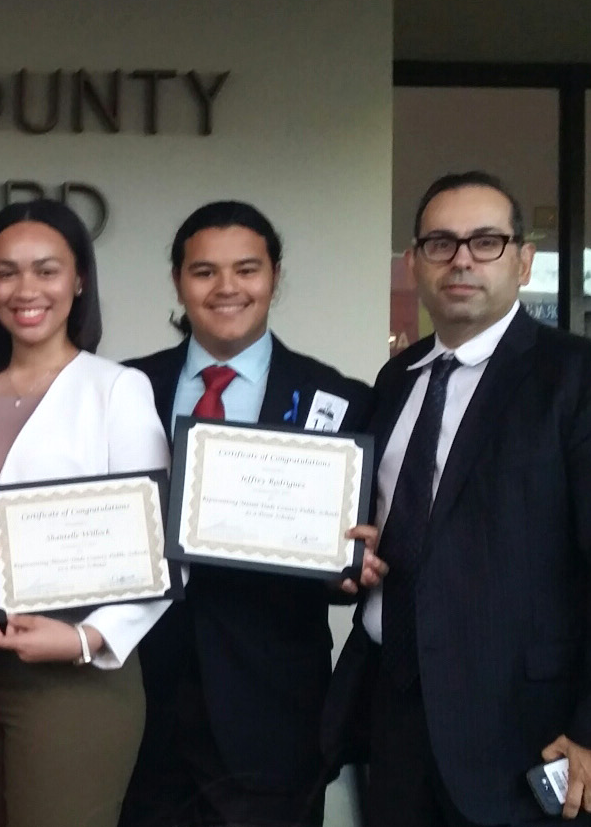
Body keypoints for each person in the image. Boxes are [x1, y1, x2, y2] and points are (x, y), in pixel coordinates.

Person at [325, 171, 591, 826]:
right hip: (394, 715)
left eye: (485, 241)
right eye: (440, 243)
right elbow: (401, 524)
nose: (461, 259)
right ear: (414, 263)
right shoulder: (397, 379)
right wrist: (350, 553)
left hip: (527, 732)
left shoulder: (588, 380)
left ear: (523, 261)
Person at [119, 201, 377, 827]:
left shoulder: (339, 401)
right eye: (204, 271)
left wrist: (351, 566)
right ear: (178, 281)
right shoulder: (121, 389)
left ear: (274, 277)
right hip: (137, 697)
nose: (226, 287)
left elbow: (352, 556)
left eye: (246, 269)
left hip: (272, 710)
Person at [0, 198, 171, 827]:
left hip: (75, 673)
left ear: (79, 280)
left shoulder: (117, 389)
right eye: (6, 272)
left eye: (47, 270)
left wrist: (89, 638)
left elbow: (156, 546)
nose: (26, 290)